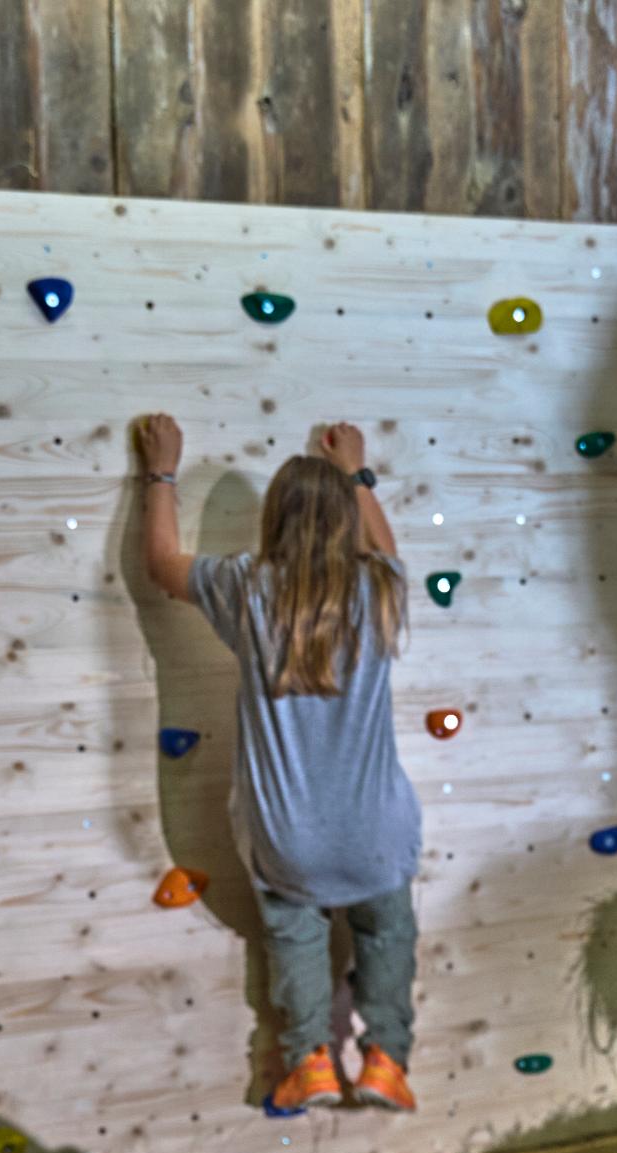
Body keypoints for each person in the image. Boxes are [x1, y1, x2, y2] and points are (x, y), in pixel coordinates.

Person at [132, 413, 423, 1114]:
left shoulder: (247, 588)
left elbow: (162, 565)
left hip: (288, 834)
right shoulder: (379, 588)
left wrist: (162, 472)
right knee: (387, 931)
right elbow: (387, 546)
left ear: (275, 522)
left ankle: (309, 1061)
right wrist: (356, 471)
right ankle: (386, 1058)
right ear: (343, 524)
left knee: (294, 932)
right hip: (377, 831)